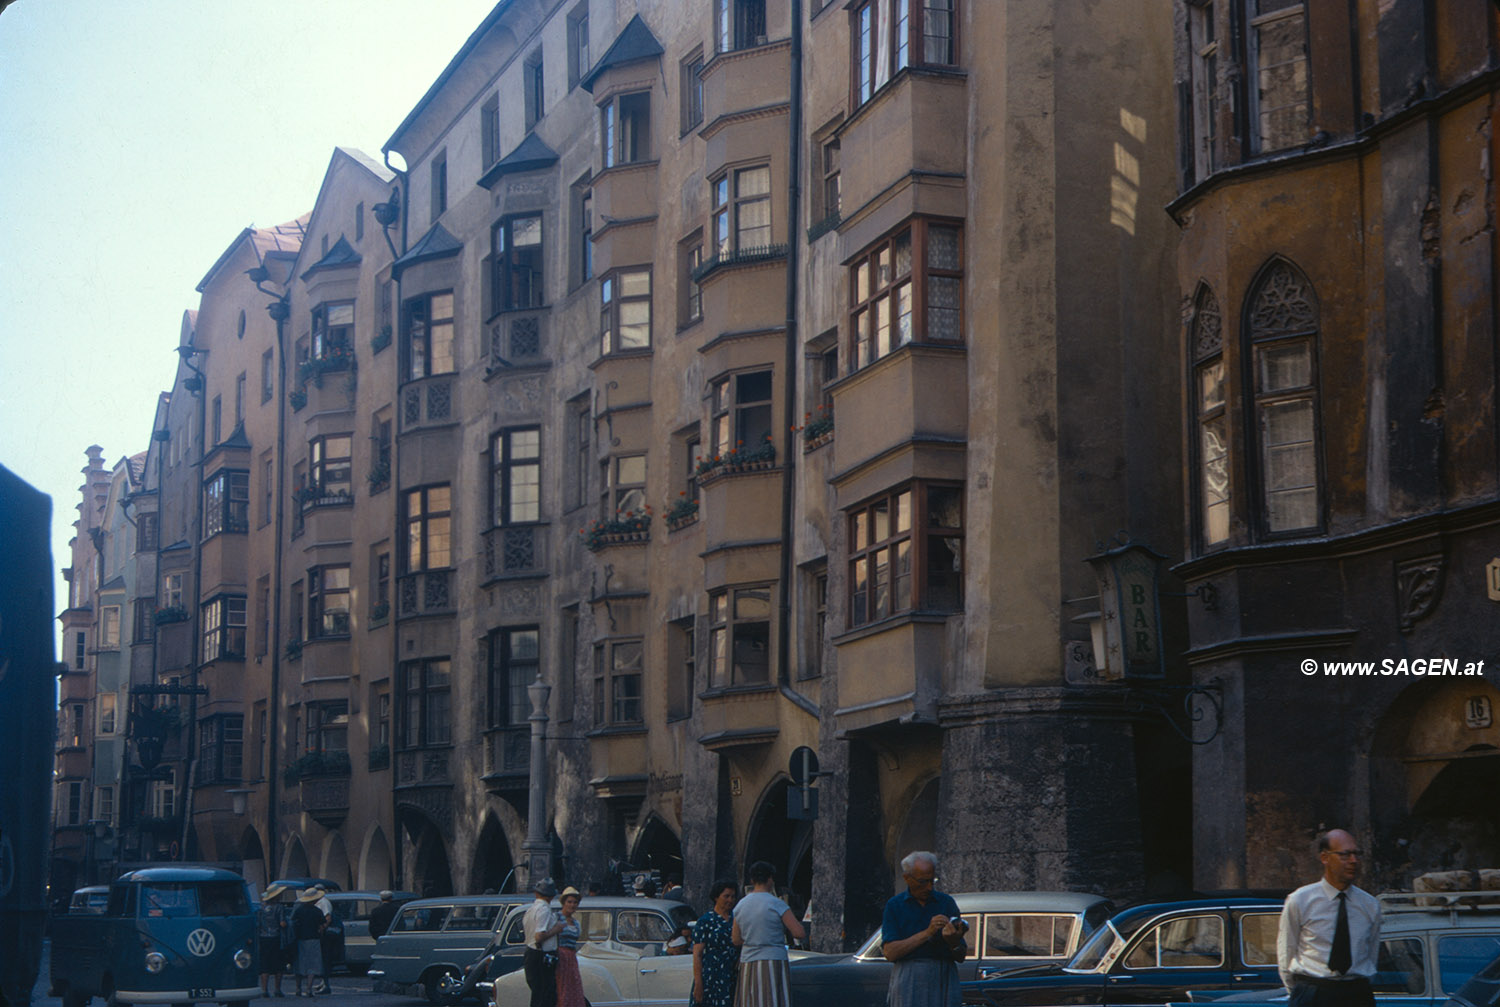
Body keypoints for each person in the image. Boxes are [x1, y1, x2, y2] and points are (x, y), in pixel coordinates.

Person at [1277, 829, 1381, 1007]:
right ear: (1325, 858)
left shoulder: (1369, 905)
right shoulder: (1300, 900)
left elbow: (1371, 952)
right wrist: (1299, 992)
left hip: (1356, 993)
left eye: (1357, 854)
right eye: (1345, 855)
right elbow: (1286, 951)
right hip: (1314, 991)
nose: (1353, 861)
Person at [881, 851, 968, 1007]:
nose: (928, 887)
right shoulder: (895, 906)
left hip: (943, 975)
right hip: (909, 976)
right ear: (907, 878)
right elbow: (890, 952)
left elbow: (960, 956)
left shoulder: (945, 903)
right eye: (922, 882)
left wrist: (953, 941)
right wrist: (928, 933)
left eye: (931, 881)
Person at [731, 861, 805, 1007]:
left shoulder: (741, 905)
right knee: (773, 1000)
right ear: (770, 879)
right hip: (773, 959)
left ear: (752, 880)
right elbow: (799, 933)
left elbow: (736, 939)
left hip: (748, 961)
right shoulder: (776, 903)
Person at [692, 878, 740, 1007]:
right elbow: (697, 954)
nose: (730, 900)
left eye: (733, 897)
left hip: (731, 976)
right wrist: (698, 983)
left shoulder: (736, 920)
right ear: (716, 897)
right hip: (711, 977)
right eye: (726, 896)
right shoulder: (705, 921)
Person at [523, 877, 565, 1007]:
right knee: (545, 995)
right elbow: (539, 936)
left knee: (539, 994)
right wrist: (556, 929)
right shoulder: (544, 910)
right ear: (551, 896)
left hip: (532, 953)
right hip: (541, 956)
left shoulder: (531, 909)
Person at [291, 889, 327, 998]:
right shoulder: (317, 911)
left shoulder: (298, 910)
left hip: (299, 939)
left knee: (299, 964)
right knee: (312, 965)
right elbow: (322, 927)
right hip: (313, 939)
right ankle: (308, 989)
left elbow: (293, 923)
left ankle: (298, 988)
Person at [555, 887, 587, 1007]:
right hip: (560, 957)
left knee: (573, 988)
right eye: (569, 902)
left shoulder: (575, 922)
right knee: (562, 989)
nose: (572, 905)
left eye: (575, 902)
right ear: (564, 902)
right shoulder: (556, 918)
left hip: (571, 958)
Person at [258, 885, 288, 997]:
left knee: (265, 965)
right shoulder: (279, 907)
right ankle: (277, 989)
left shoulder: (261, 908)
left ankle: (264, 989)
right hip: (276, 937)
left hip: (263, 937)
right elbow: (282, 923)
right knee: (278, 965)